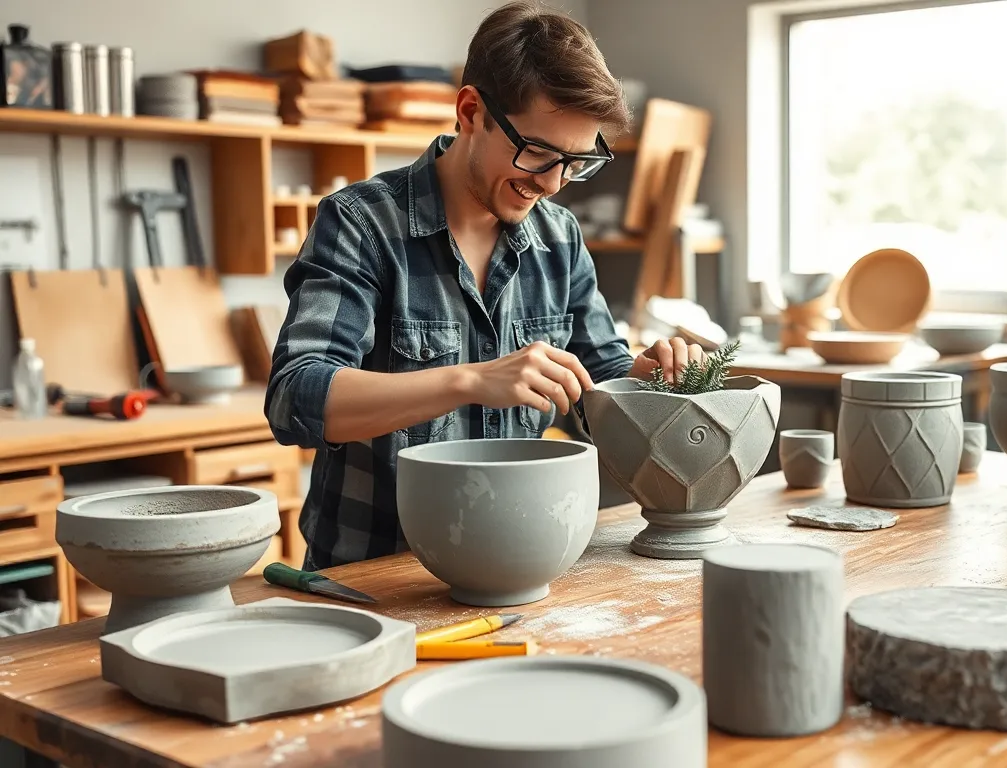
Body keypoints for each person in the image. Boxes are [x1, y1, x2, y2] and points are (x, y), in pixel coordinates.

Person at [264, 0, 705, 571]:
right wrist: (470, 380)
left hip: (517, 559)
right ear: (471, 111)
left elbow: (599, 388)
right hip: (375, 577)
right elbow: (295, 399)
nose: (550, 184)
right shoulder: (361, 223)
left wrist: (644, 382)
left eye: (574, 161)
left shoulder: (560, 237)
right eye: (538, 151)